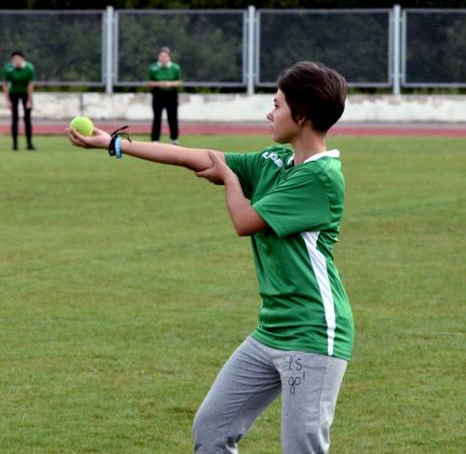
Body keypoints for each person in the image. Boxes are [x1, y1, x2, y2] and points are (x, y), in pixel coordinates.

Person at [68, 61, 354, 453]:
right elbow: (193, 155)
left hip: (313, 333)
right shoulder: (276, 162)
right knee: (212, 428)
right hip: (273, 328)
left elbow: (244, 220)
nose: (269, 113)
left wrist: (232, 180)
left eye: (277, 105)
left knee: (302, 446)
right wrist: (113, 143)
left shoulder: (320, 178)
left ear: (301, 116)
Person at [147, 46, 183, 144]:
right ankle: (155, 140)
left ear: (169, 57)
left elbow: (179, 82)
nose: (163, 58)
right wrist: (160, 84)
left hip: (171, 95)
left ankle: (174, 139)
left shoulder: (175, 68)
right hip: (158, 95)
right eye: (161, 56)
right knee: (157, 117)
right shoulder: (153, 68)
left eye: (165, 56)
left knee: (172, 117)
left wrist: (169, 84)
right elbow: (150, 83)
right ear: (159, 57)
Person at [2, 50, 36, 151]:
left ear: (23, 59)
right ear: (12, 60)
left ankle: (29, 144)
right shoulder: (8, 68)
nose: (17, 61)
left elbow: (30, 84)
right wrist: (8, 101)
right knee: (15, 119)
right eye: (14, 59)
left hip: (25, 93)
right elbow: (5, 84)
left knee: (27, 118)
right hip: (14, 93)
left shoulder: (29, 68)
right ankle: (15, 144)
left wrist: (29, 100)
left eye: (19, 59)